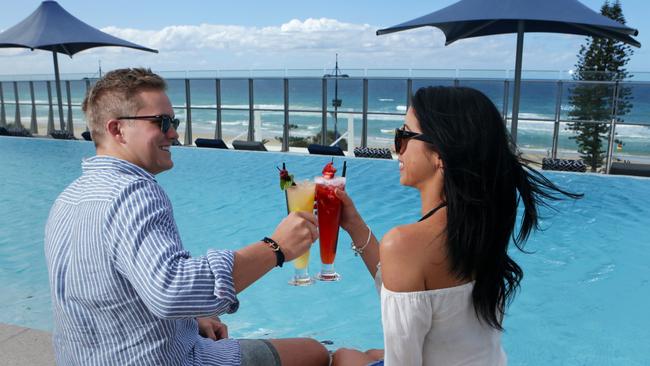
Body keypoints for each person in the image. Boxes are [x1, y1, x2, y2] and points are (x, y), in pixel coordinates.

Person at [44, 68, 329, 366]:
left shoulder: (70, 198)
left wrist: (193, 316)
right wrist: (276, 248)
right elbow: (170, 291)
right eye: (162, 122)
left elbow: (113, 290)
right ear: (117, 130)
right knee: (315, 353)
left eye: (174, 121)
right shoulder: (135, 192)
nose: (174, 133)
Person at [331, 86, 582, 366]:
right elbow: (414, 290)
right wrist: (354, 224)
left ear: (440, 154)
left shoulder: (404, 244)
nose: (395, 146)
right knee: (365, 356)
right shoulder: (482, 225)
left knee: (341, 357)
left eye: (404, 135)